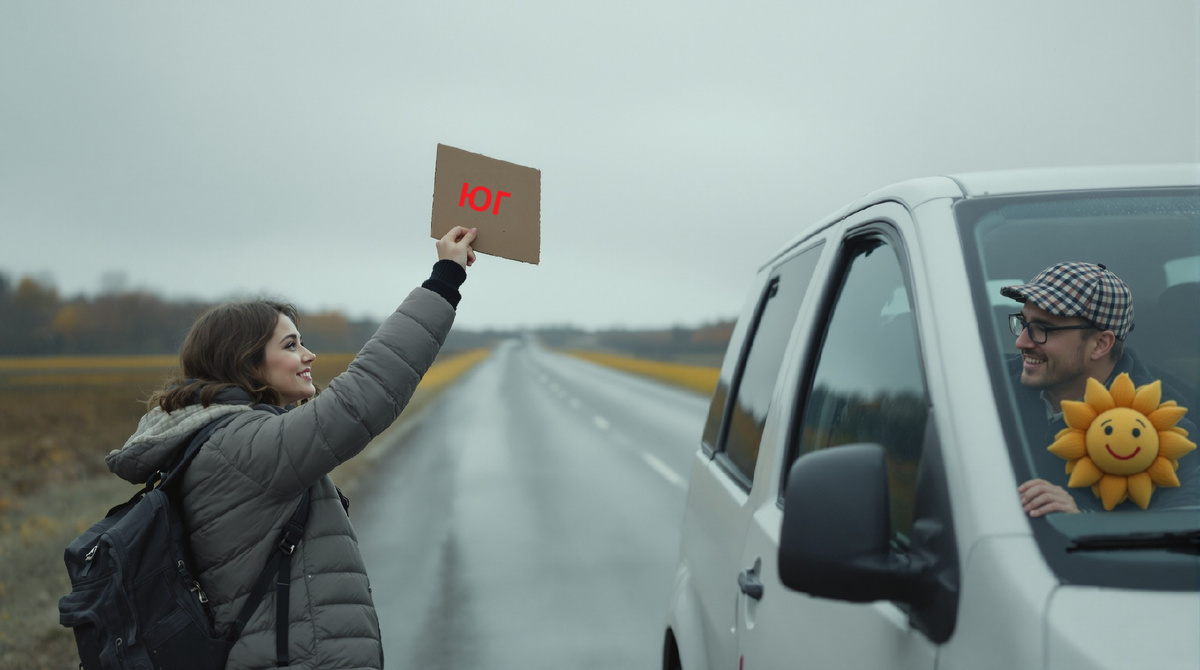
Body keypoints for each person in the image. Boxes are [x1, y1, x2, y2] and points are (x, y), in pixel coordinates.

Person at [104, 226, 478, 669]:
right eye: (291, 345)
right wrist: (444, 280)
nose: (309, 355)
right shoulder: (243, 448)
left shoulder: (227, 440)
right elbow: (366, 394)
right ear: (247, 363)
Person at [1001, 261, 1198, 516]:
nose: (1021, 341)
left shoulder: (1166, 423)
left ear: (1100, 344)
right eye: (1023, 322)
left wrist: (1083, 521)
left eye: (1043, 329)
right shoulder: (984, 387)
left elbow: (1179, 529)